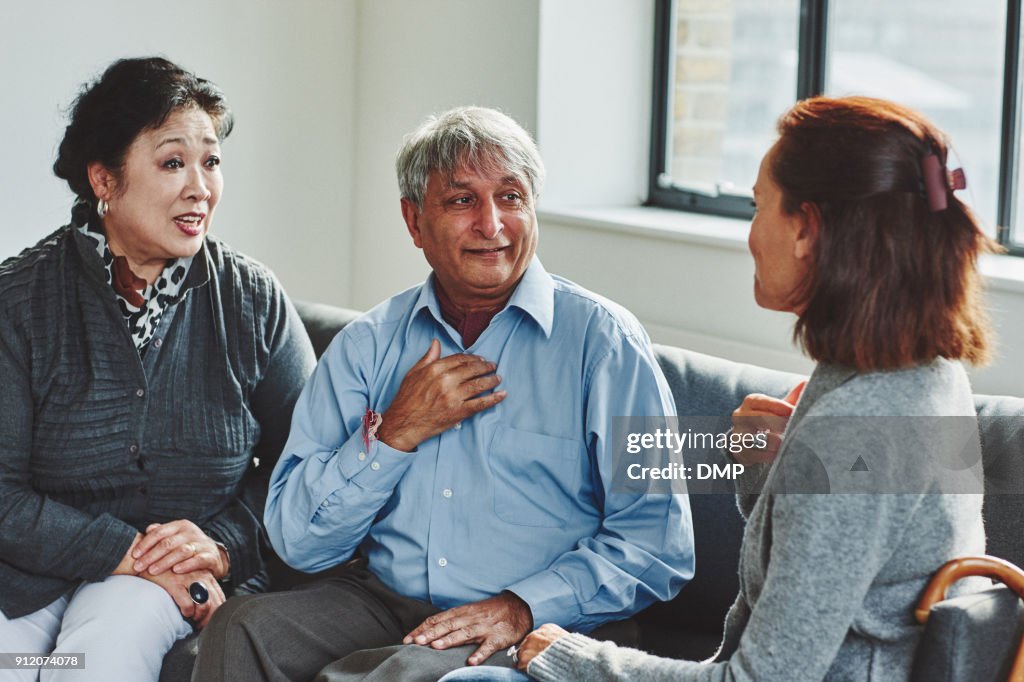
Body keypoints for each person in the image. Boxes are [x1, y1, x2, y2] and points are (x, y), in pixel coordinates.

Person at [442, 96, 995, 681]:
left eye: (759, 207)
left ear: (806, 228)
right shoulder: (921, 376)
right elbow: (846, 573)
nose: (751, 235)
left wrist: (568, 656)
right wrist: (769, 474)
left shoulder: (860, 421)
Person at [191, 106, 694, 682]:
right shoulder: (368, 345)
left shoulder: (604, 343)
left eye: (511, 197)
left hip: (540, 621)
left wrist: (523, 606)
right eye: (462, 201)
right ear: (413, 221)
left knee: (395, 676)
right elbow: (299, 543)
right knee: (243, 628)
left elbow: (657, 544)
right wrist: (394, 436)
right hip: (382, 600)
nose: (492, 225)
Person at [0, 57, 315, 681]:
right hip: (28, 575)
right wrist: (128, 551)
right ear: (104, 180)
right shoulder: (19, 302)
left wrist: (221, 547)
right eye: (174, 162)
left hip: (161, 587)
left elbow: (305, 466)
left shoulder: (251, 299)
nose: (201, 187)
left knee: (92, 661)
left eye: (212, 160)